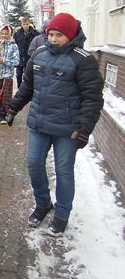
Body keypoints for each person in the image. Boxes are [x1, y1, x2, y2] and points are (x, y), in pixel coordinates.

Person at [7, 13, 104, 235]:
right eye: (50, 34)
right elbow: (27, 87)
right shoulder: (39, 54)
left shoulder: (83, 60)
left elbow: (93, 98)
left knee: (64, 171)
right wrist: (13, 108)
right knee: (33, 164)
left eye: (58, 35)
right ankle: (43, 204)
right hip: (39, 123)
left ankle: (62, 214)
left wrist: (84, 129)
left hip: (67, 129)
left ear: (70, 35)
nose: (53, 39)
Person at [0, 25, 20, 124]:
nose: (4, 36)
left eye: (6, 34)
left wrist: (4, 61)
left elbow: (16, 61)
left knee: (5, 95)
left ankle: (3, 114)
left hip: (7, 75)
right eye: (2, 33)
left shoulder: (13, 46)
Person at [13, 17, 40, 88]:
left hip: (29, 57)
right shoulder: (17, 34)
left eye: (27, 24)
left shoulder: (34, 34)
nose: (25, 26)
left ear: (29, 24)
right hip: (20, 57)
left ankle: (27, 88)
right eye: (24, 24)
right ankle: (19, 87)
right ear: (21, 24)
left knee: (28, 75)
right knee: (18, 75)